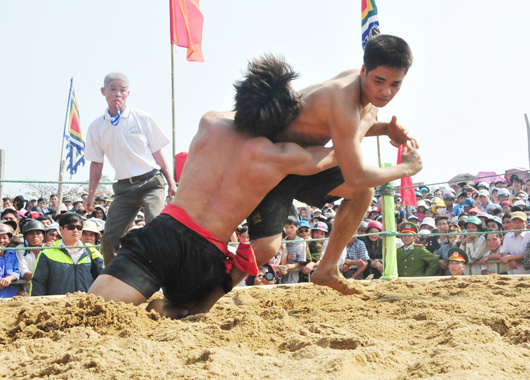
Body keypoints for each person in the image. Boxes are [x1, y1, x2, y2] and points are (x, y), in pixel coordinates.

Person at [88, 57, 342, 318]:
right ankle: (172, 308)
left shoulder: (210, 121)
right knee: (177, 308)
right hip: (203, 256)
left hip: (164, 232)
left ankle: (164, 305)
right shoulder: (280, 155)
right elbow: (335, 154)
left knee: (95, 309)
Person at [243, 35, 421, 295]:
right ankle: (213, 284)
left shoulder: (360, 93)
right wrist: (407, 168)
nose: (386, 92)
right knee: (264, 250)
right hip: (276, 164)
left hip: (307, 163)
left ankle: (327, 268)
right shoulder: (343, 97)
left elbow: (345, 131)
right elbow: (356, 171)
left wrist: (383, 128)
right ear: (364, 71)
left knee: (362, 192)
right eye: (379, 81)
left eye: (396, 84)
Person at [84, 72, 177, 265]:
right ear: (103, 92)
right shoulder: (96, 127)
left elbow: (158, 154)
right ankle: (116, 280)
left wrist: (171, 183)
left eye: (122, 90)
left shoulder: (142, 118)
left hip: (151, 183)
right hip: (124, 189)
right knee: (109, 240)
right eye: (113, 89)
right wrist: (91, 194)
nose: (118, 94)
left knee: (155, 228)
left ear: (128, 93)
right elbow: (96, 163)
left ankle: (162, 276)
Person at [30, 213, 103, 296]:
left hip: (85, 304)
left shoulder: (91, 251)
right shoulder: (46, 254)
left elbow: (102, 278)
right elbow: (38, 284)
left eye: (79, 228)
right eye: (71, 227)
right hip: (56, 305)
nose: (76, 230)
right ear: (61, 229)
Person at [0, 224, 19, 298]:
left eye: (5, 238)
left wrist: (10, 277)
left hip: (9, 294)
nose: (1, 241)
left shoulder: (12, 253)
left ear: (9, 239)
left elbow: (16, 271)